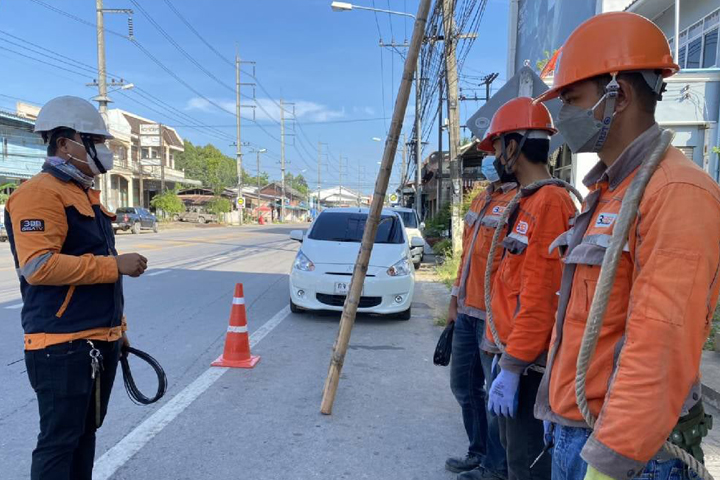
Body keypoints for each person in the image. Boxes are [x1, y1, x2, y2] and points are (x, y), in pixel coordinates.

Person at [533, 12, 720, 480]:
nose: (562, 118)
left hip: (627, 456)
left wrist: (612, 460)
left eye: (572, 99)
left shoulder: (677, 193)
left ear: (620, 94)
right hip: (578, 433)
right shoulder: (608, 192)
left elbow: (661, 344)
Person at [4, 96, 148, 480]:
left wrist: (119, 329)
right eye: (95, 141)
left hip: (98, 338)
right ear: (65, 143)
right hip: (60, 345)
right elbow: (38, 266)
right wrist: (114, 265)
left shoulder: (84, 192)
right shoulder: (39, 193)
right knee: (59, 441)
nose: (104, 151)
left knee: (85, 434)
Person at [478, 97, 577, 480]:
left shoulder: (551, 202)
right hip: (507, 353)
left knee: (525, 463)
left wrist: (514, 366)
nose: (496, 157)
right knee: (510, 453)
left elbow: (542, 294)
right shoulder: (527, 201)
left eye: (499, 146)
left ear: (514, 146)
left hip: (527, 364)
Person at [445, 156, 515, 480]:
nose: (491, 159)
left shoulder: (519, 201)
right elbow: (465, 256)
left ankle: (495, 468)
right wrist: (454, 298)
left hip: (493, 317)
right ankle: (477, 452)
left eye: (497, 149)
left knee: (495, 397)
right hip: (466, 312)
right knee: (463, 385)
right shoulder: (482, 198)